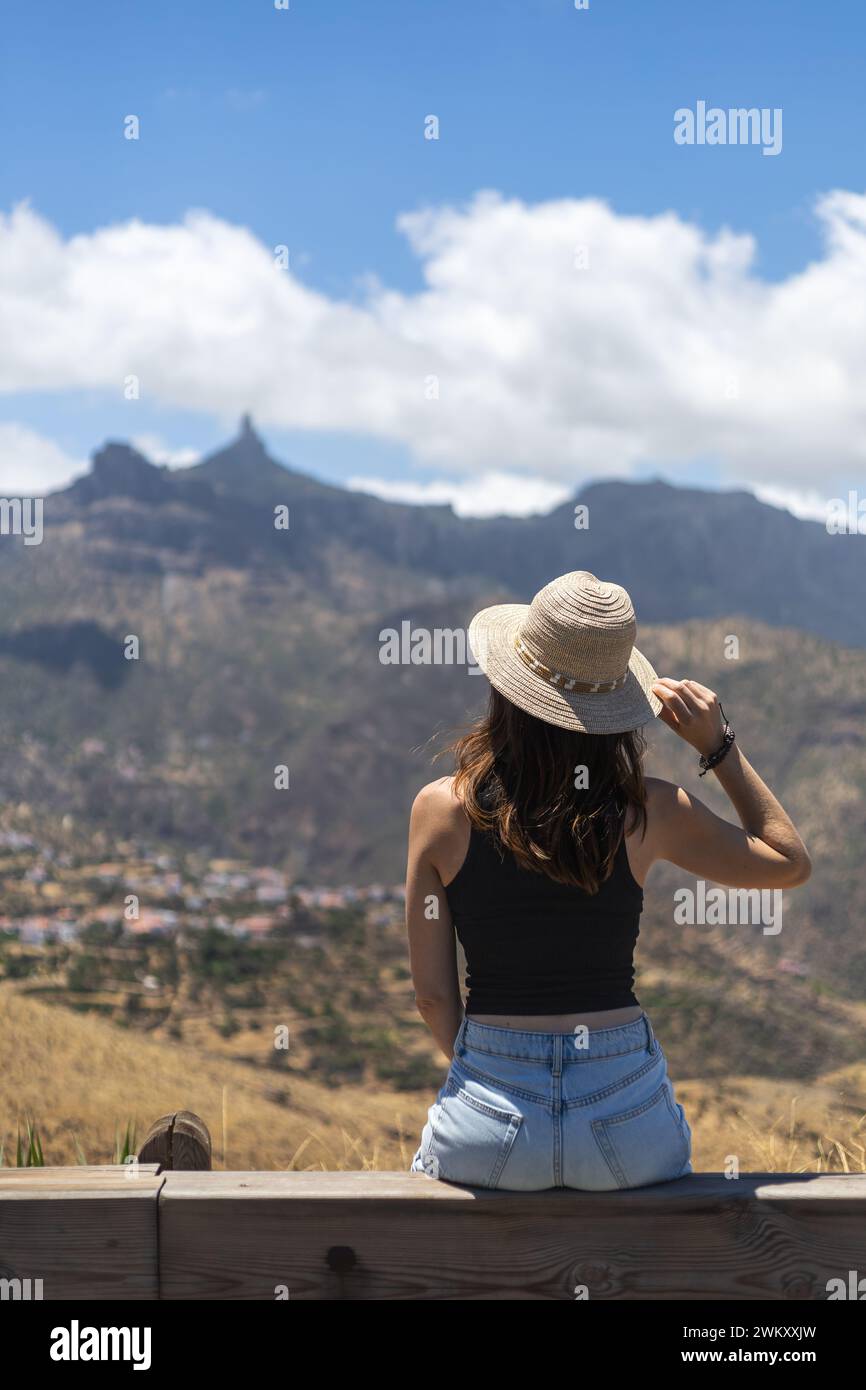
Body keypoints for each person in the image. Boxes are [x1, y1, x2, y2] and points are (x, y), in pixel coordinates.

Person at [406, 570, 811, 1190]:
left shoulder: (443, 810)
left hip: (489, 1117)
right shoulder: (650, 812)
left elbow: (433, 998)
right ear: (617, 709)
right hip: (625, 1117)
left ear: (506, 691)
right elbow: (789, 862)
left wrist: (495, 1070)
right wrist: (719, 747)